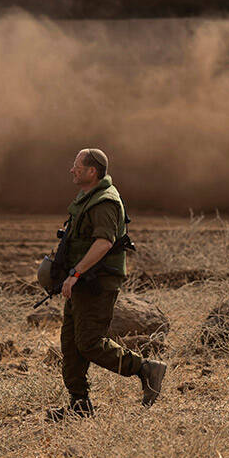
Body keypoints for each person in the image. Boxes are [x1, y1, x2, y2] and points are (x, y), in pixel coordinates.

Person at [47, 148, 167, 421]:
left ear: (92, 171)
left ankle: (146, 369)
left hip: (95, 283)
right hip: (82, 283)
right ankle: (80, 405)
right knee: (71, 344)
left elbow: (104, 242)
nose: (71, 170)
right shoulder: (87, 199)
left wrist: (75, 273)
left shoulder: (105, 202)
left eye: (77, 166)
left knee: (89, 343)